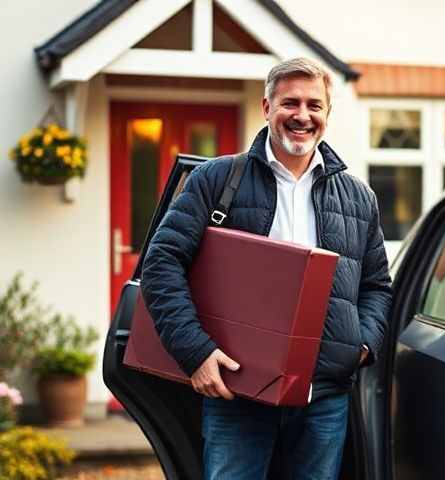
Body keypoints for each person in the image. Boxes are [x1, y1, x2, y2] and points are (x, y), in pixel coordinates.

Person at [140, 57, 393, 480]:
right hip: (236, 391)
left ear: (327, 115)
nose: (302, 115)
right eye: (289, 103)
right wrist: (195, 352)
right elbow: (161, 263)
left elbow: (377, 287)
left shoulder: (359, 198)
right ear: (266, 108)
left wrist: (361, 346)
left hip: (324, 395)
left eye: (315, 105)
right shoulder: (216, 179)